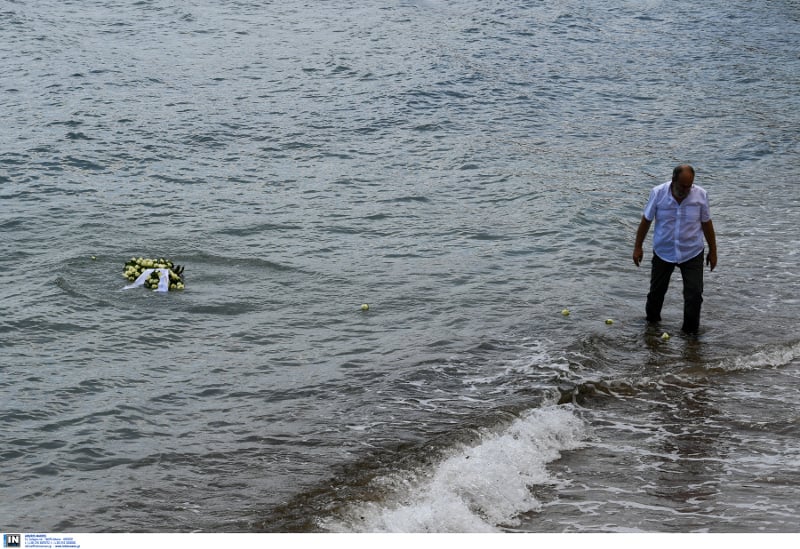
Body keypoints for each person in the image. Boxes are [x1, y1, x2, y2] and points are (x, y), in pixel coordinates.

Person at [632, 165, 717, 334]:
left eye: (689, 186)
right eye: (682, 186)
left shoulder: (700, 195)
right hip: (664, 251)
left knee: (694, 295)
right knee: (656, 293)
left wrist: (713, 251)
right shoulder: (658, 193)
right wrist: (638, 247)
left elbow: (707, 224)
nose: (686, 190)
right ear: (673, 181)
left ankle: (690, 336)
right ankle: (651, 330)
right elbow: (646, 221)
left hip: (692, 251)